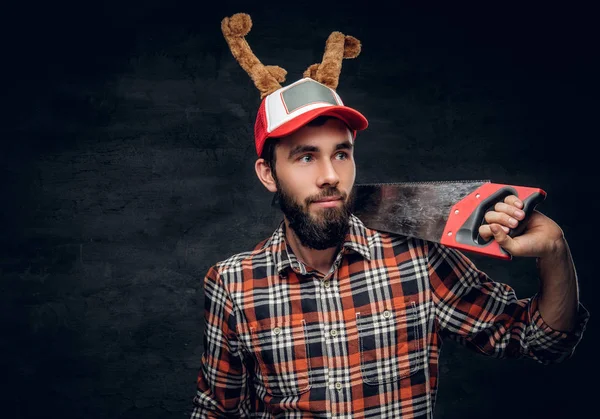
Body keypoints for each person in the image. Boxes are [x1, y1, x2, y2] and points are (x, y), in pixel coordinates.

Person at [189, 13, 589, 418]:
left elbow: (540, 341)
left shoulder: (417, 257)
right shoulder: (234, 284)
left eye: (341, 154)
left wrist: (555, 251)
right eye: (305, 156)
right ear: (268, 174)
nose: (330, 176)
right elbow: (215, 412)